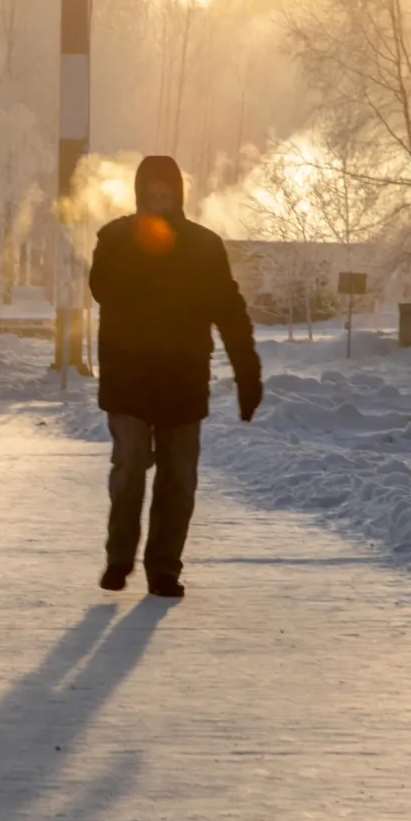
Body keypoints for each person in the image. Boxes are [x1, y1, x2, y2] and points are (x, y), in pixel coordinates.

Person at [88, 155, 262, 598]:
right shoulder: (114, 238)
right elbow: (101, 289)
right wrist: (137, 249)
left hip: (183, 378)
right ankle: (119, 558)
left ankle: (164, 568)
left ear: (178, 195)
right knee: (129, 467)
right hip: (128, 377)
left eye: (166, 193)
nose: (159, 200)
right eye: (152, 192)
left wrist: (248, 374)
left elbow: (230, 310)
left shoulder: (204, 246)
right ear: (141, 192)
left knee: (178, 476)